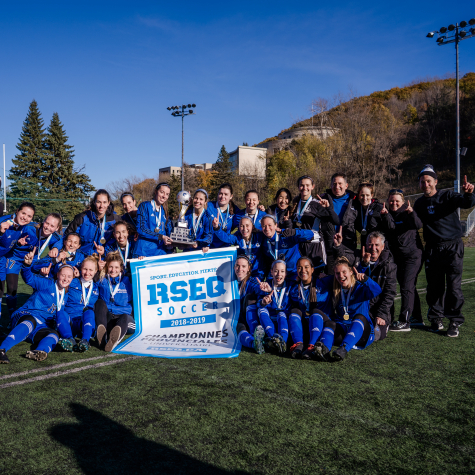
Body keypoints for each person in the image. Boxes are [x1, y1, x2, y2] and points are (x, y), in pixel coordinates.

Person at [413, 165, 475, 337]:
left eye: (428, 181)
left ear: (435, 182)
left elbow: (467, 203)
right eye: (422, 182)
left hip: (452, 247)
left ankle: (454, 320)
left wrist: (469, 193)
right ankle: (436, 318)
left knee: (454, 287)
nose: (425, 184)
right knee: (434, 287)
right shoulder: (419, 203)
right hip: (432, 248)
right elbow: (413, 223)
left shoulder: (447, 195)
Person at [0, 247, 75, 363]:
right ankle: (2, 349)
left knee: (54, 334)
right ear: (57, 275)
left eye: (69, 277)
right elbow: (29, 278)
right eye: (63, 275)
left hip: (40, 325)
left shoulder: (65, 294)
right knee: (30, 321)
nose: (66, 279)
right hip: (26, 315)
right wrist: (26, 265)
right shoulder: (47, 283)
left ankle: (38, 352)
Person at [313, 257, 382, 361]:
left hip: (362, 334)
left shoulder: (360, 287)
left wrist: (366, 280)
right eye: (337, 273)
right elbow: (317, 283)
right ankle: (325, 349)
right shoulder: (336, 287)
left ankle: (344, 349)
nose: (341, 276)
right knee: (330, 323)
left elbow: (377, 290)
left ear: (351, 272)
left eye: (344, 272)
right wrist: (318, 275)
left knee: (359, 317)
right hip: (344, 329)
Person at [380, 190, 424, 330]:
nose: (394, 203)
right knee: (408, 286)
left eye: (397, 201)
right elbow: (390, 228)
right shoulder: (387, 213)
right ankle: (416, 317)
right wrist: (385, 216)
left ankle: (405, 321)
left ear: (403, 202)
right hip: (397, 257)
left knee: (406, 286)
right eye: (391, 200)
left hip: (413, 256)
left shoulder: (408, 212)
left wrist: (412, 213)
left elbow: (418, 225)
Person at [288, 175, 339, 272]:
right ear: (298, 187)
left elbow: (336, 221)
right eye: (302, 185)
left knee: (316, 278)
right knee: (301, 277)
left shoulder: (317, 204)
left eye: (307, 185)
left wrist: (328, 208)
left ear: (313, 187)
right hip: (299, 246)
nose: (304, 188)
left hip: (314, 246)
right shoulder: (295, 205)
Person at [288, 257, 333, 359]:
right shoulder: (294, 288)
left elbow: (343, 276)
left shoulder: (324, 282)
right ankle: (299, 344)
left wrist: (363, 266)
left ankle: (311, 347)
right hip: (306, 327)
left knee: (315, 312)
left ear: (312, 269)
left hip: (322, 325)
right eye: (299, 267)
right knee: (294, 311)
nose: (303, 270)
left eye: (306, 267)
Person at [355, 231, 397, 341]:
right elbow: (354, 284)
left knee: (377, 336)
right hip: (362, 308)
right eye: (370, 244)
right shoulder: (358, 260)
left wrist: (382, 314)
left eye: (377, 245)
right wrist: (363, 264)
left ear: (383, 247)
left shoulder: (389, 266)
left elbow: (389, 293)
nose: (373, 248)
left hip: (378, 310)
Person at [56, 255, 100, 352]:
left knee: (89, 312)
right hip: (69, 322)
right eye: (85, 269)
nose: (87, 273)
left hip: (85, 323)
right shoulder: (72, 281)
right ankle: (70, 340)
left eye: (91, 270)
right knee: (60, 313)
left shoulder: (97, 287)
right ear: (80, 268)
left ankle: (85, 341)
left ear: (96, 271)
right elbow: (60, 275)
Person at [0, 202, 37, 316]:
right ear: (17, 211)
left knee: (0, 292)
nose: (25, 217)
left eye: (29, 216)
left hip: (1, 260)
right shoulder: (3, 222)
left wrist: (19, 245)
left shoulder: (24, 227)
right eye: (23, 213)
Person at [253, 260, 294, 356]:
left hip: (284, 321)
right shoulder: (265, 285)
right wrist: (264, 301)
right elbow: (258, 303)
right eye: (276, 271)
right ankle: (273, 340)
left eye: (282, 271)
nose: (279, 274)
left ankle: (282, 341)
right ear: (271, 272)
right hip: (269, 321)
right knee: (261, 310)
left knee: (281, 313)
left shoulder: (291, 286)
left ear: (286, 273)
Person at [260, 214, 319, 279]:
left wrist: (293, 232)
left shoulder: (286, 236)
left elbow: (311, 234)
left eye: (269, 225)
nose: (267, 228)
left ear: (275, 225)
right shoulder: (263, 242)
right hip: (278, 275)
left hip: (294, 273)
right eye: (264, 226)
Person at [95, 251, 134, 351]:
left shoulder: (128, 279)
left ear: (121, 268)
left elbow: (143, 275)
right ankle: (102, 337)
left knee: (125, 318)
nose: (113, 270)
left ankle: (113, 341)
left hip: (124, 317)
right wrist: (97, 270)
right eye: (111, 267)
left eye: (116, 267)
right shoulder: (102, 279)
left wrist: (142, 261)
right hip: (107, 318)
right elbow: (91, 282)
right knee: (99, 303)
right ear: (107, 267)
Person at [65, 189, 116, 255]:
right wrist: (56, 248)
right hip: (80, 258)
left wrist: (105, 251)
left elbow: (116, 242)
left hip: (101, 258)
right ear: (94, 202)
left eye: (104, 202)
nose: (101, 206)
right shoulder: (82, 218)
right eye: (99, 202)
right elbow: (66, 237)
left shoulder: (114, 220)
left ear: (108, 203)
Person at [234, 255, 266, 354]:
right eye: (237, 266)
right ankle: (255, 343)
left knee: (250, 298)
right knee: (239, 327)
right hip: (235, 320)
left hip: (249, 318)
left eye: (243, 266)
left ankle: (254, 331)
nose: (240, 269)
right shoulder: (228, 281)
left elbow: (258, 289)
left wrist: (264, 290)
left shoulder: (251, 281)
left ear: (249, 269)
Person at [134, 183, 173, 258]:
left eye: (167, 194)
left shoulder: (165, 211)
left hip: (160, 251)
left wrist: (171, 242)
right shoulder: (144, 206)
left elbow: (168, 231)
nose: (164, 196)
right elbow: (141, 228)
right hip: (145, 252)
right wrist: (160, 237)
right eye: (162, 192)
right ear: (156, 192)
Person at [343, 182, 383, 250]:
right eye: (362, 195)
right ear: (358, 195)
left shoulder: (379, 208)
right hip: (364, 244)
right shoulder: (356, 208)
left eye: (367, 195)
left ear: (372, 195)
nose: (364, 198)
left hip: (377, 246)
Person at [326, 173, 357, 248]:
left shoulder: (354, 200)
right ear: (331, 185)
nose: (337, 186)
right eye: (334, 184)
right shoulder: (323, 199)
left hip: (348, 245)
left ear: (346, 185)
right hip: (328, 244)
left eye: (340, 183)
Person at [206, 183, 240, 249]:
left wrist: (258, 209)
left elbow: (246, 219)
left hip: (225, 248)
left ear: (231, 196)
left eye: (226, 194)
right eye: (220, 193)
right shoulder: (208, 206)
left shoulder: (236, 211)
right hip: (209, 248)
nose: (222, 196)